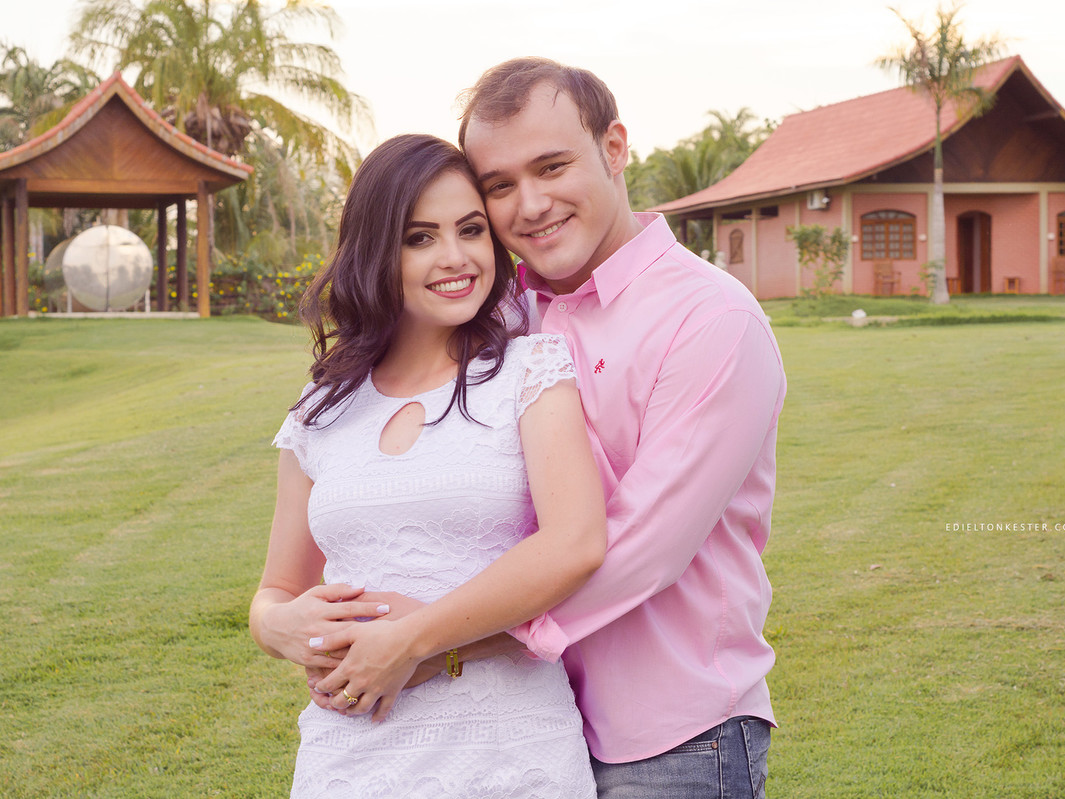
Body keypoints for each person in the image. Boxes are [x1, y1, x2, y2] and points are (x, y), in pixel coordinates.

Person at [311, 59, 788, 799]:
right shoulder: (500, 317)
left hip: (669, 736)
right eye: (498, 185)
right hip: (525, 725)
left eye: (552, 166)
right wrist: (285, 616)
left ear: (616, 148)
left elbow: (634, 553)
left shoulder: (713, 323)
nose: (529, 204)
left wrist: (427, 640)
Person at [249, 133, 605, 798]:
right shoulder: (320, 407)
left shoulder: (531, 369)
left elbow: (574, 545)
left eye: (470, 230)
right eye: (420, 237)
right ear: (377, 250)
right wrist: (277, 624)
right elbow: (277, 587)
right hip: (349, 757)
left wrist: (412, 640)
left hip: (510, 754)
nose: (455, 258)